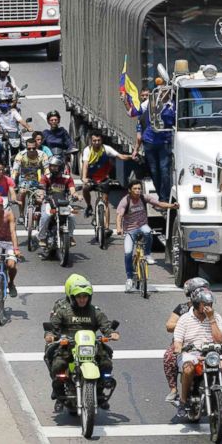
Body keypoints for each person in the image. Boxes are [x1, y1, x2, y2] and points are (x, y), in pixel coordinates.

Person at [44, 274, 118, 408]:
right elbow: (53, 328)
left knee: (106, 363)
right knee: (58, 365)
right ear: (73, 297)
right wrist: (50, 335)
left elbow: (105, 326)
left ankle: (100, 392)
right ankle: (59, 394)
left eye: (85, 296)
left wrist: (112, 333)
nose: (82, 299)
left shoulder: (95, 312)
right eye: (79, 296)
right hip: (68, 346)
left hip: (90, 345)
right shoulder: (63, 311)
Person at [116, 179, 177, 291]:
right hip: (130, 230)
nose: (138, 191)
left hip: (142, 226)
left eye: (139, 188)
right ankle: (129, 278)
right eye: (135, 188)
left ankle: (148, 254)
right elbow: (119, 215)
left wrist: (172, 206)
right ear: (130, 190)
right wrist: (119, 228)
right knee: (128, 253)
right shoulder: (125, 200)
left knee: (148, 231)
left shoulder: (144, 198)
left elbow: (159, 204)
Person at [174, 288, 222, 419]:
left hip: (210, 352)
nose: (208, 307)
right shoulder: (185, 319)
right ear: (197, 304)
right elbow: (178, 341)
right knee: (188, 369)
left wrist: (211, 319)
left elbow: (219, 339)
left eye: (210, 304)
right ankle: (183, 401)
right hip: (191, 353)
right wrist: (179, 348)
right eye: (205, 304)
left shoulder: (216, 317)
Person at [163, 278, 210, 404]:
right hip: (184, 343)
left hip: (204, 343)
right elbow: (169, 326)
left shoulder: (208, 309)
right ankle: (174, 390)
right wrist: (185, 323)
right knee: (169, 357)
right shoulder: (182, 309)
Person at [129, 91, 175, 203]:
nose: (162, 93)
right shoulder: (151, 102)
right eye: (160, 91)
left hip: (164, 141)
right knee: (154, 171)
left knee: (164, 170)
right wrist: (126, 101)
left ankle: (165, 198)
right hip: (149, 141)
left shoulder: (174, 105)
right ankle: (161, 196)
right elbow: (135, 112)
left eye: (165, 91)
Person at [80, 132, 133, 218]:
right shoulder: (87, 150)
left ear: (101, 140)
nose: (97, 142)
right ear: (91, 141)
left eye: (98, 140)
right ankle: (89, 206)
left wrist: (131, 157)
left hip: (103, 178)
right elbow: (85, 164)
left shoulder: (106, 149)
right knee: (85, 188)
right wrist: (84, 178)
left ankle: (106, 227)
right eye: (94, 141)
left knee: (105, 201)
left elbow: (121, 156)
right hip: (91, 177)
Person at [37, 155, 79, 253]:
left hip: (64, 203)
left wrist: (76, 195)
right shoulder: (46, 177)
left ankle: (71, 236)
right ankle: (42, 237)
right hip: (49, 202)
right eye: (51, 166)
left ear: (60, 166)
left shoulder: (67, 178)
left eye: (55, 166)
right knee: (46, 216)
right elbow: (41, 189)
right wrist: (41, 195)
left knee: (72, 216)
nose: (52, 168)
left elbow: (72, 190)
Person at [12, 135, 47, 216]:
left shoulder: (42, 155)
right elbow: (15, 170)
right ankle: (21, 214)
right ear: (26, 147)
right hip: (24, 179)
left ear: (36, 147)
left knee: (40, 198)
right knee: (22, 193)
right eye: (29, 148)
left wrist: (48, 180)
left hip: (38, 180)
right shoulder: (20, 155)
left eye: (33, 148)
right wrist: (13, 182)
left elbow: (46, 170)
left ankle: (38, 211)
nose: (31, 150)